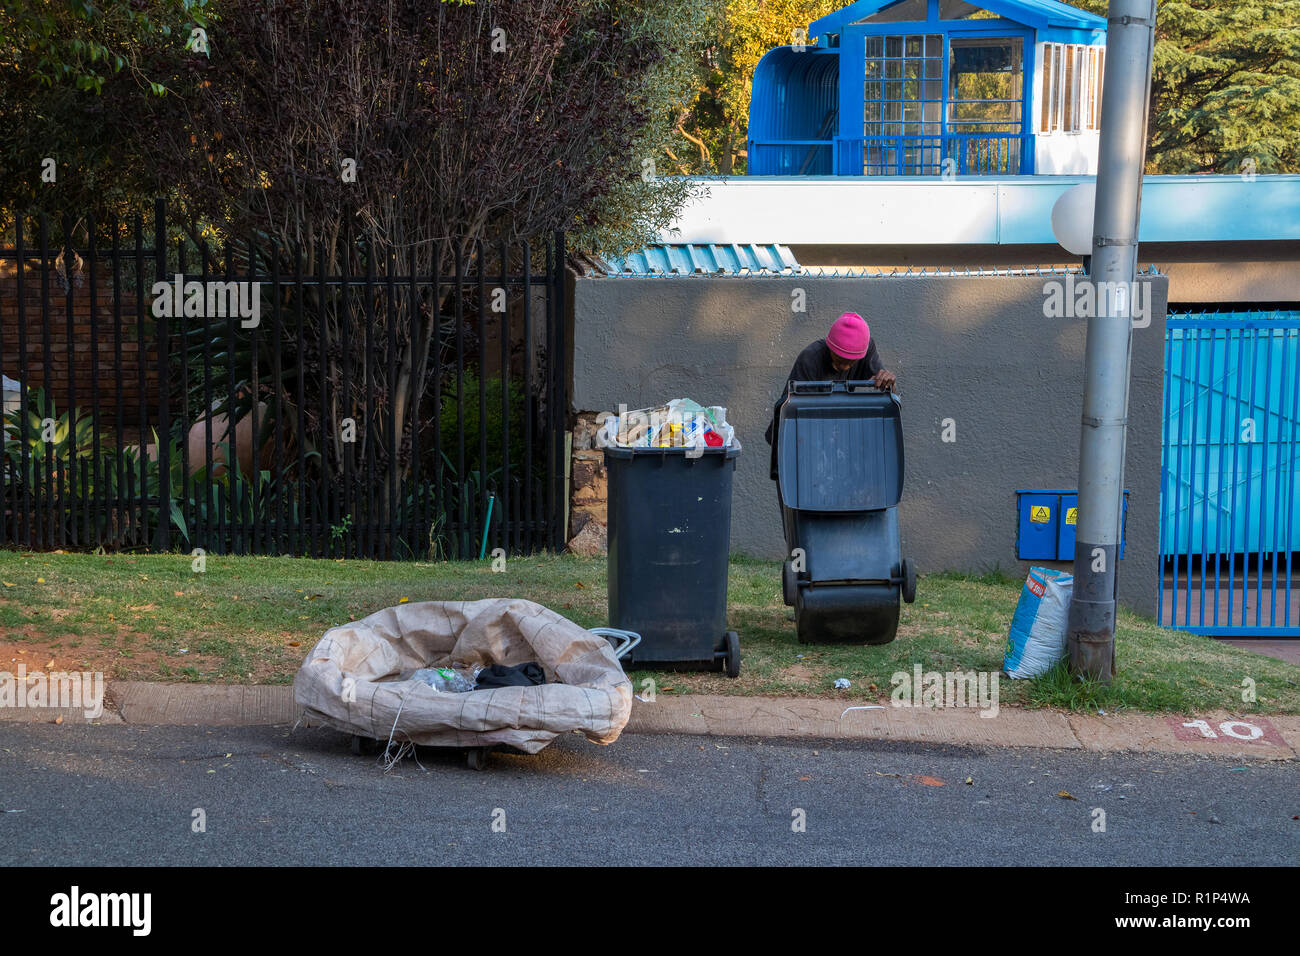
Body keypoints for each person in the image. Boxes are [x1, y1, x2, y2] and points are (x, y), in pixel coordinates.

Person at [764, 312, 897, 483]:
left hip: (836, 445)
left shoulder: (866, 350)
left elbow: (883, 386)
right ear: (829, 347)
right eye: (837, 358)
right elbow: (795, 419)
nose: (841, 367)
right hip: (799, 443)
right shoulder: (810, 358)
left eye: (849, 362)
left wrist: (886, 381)